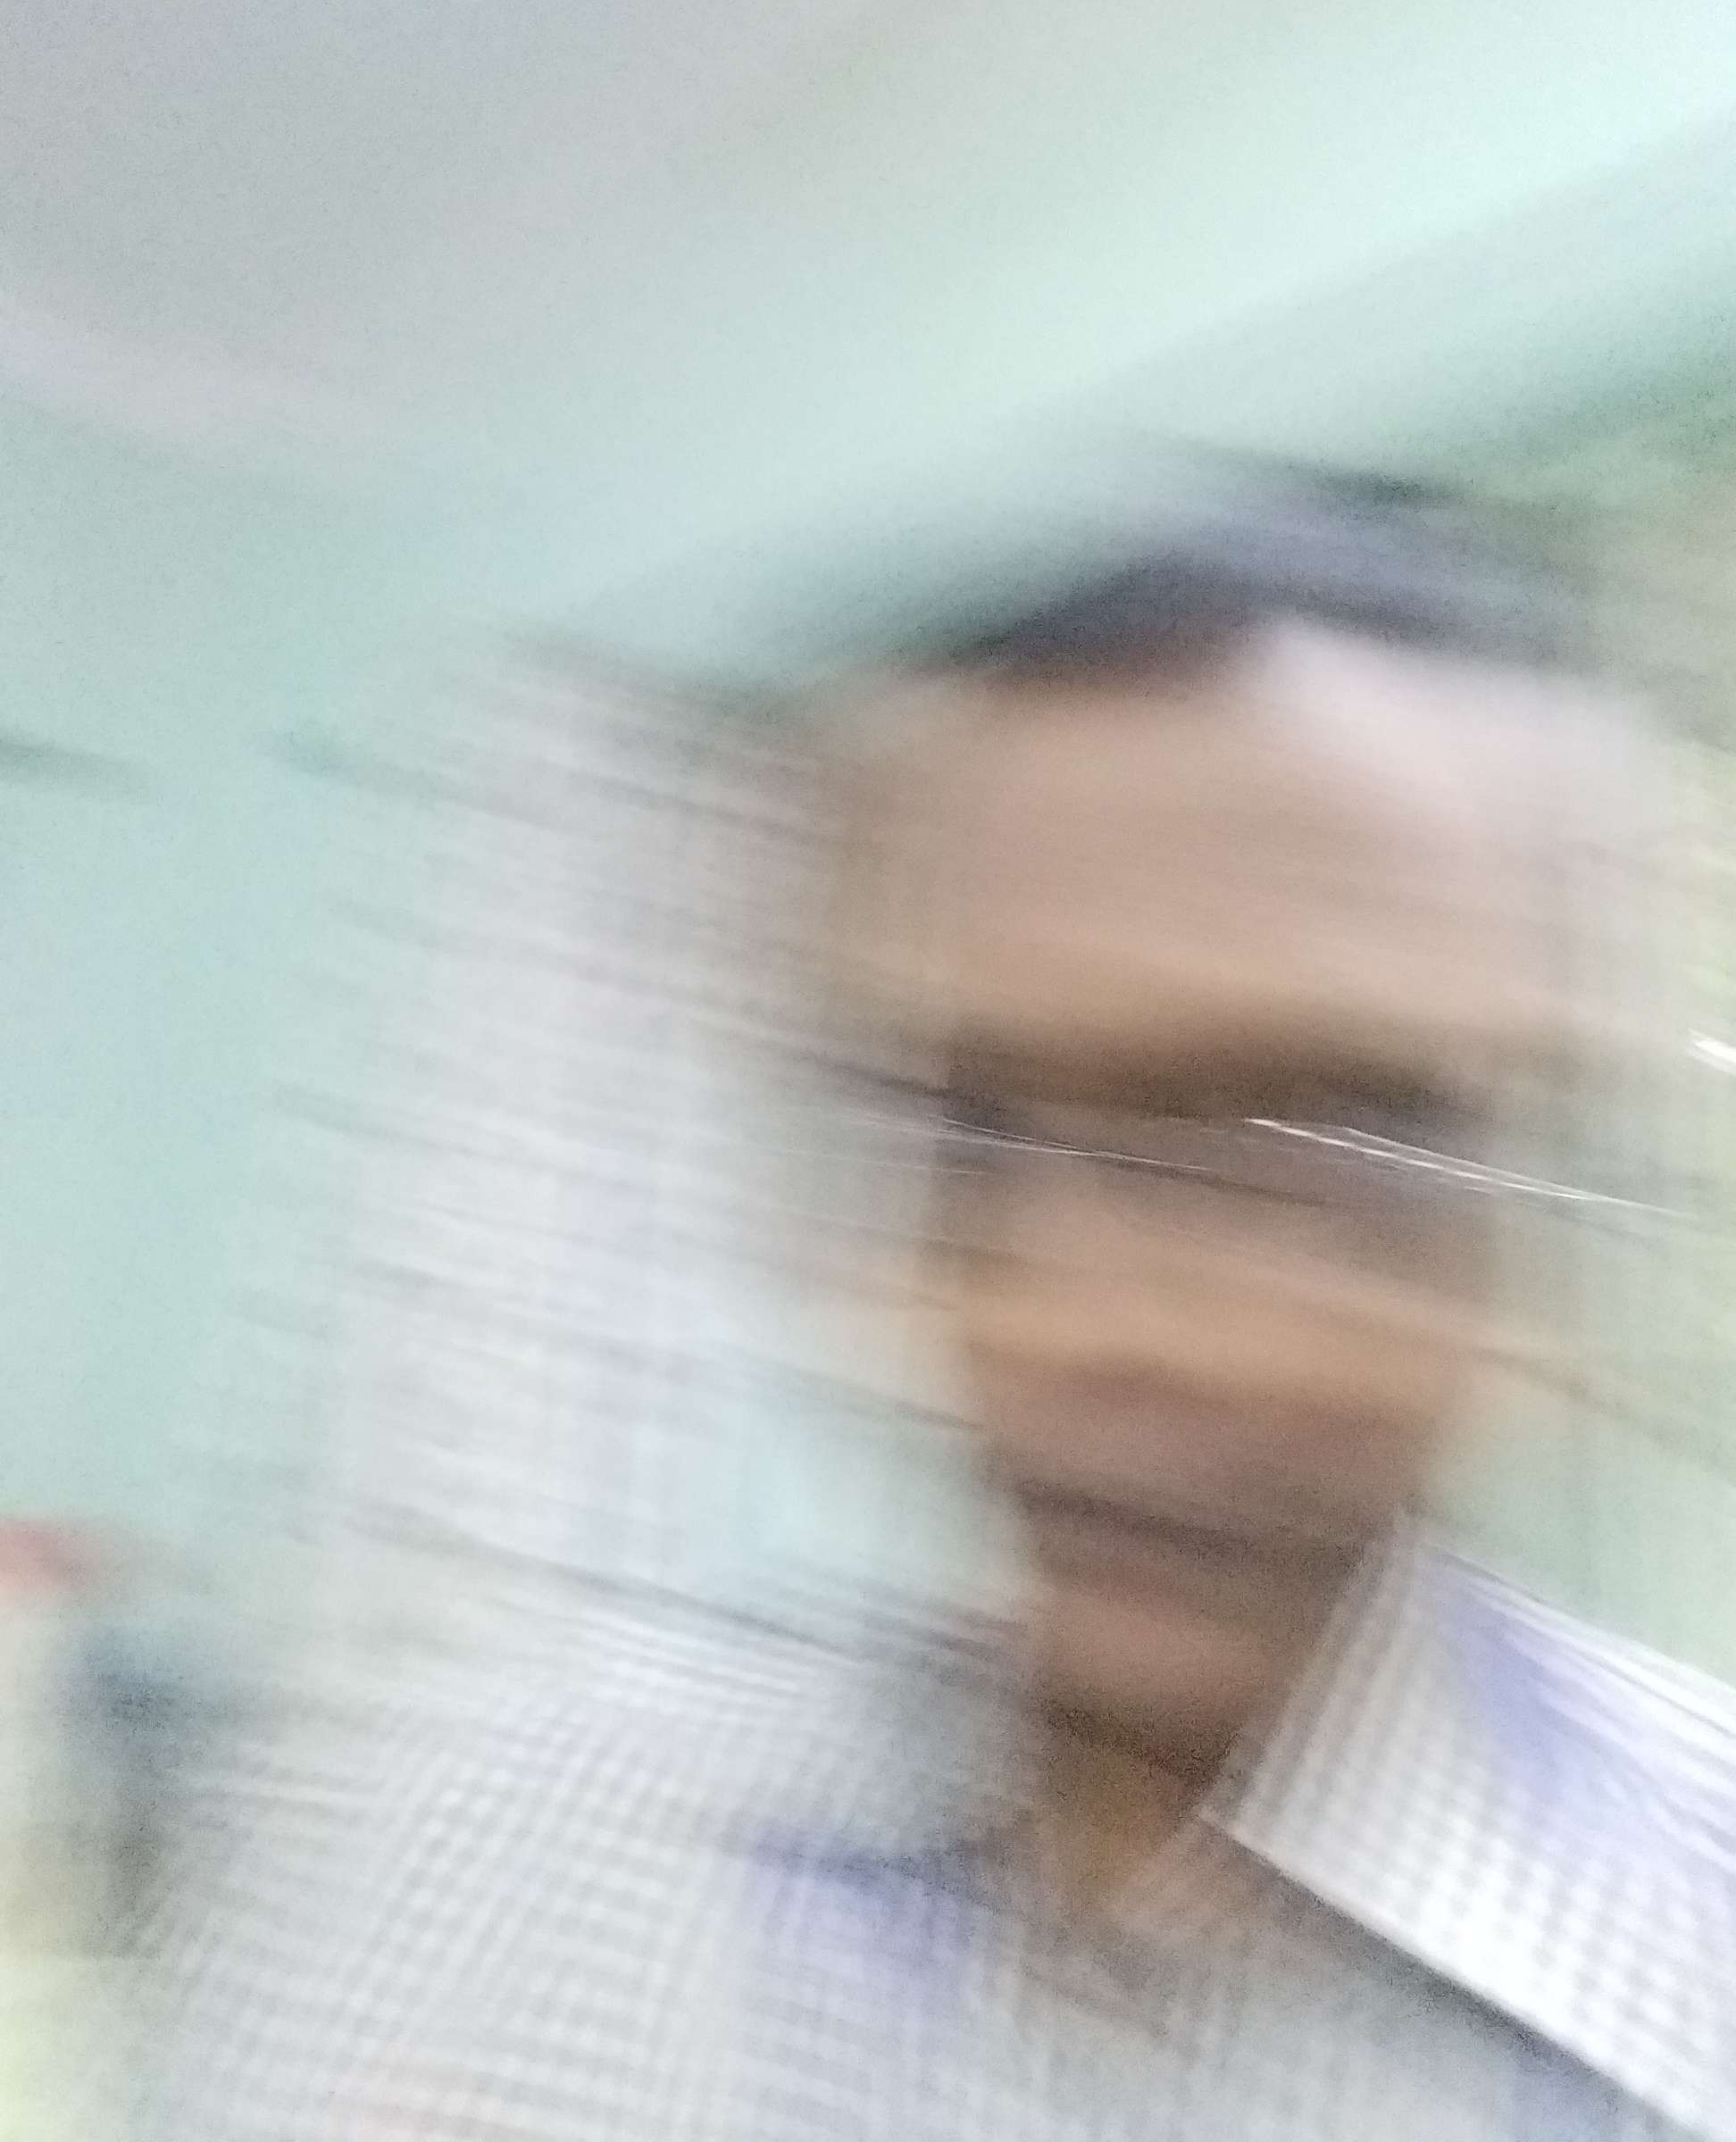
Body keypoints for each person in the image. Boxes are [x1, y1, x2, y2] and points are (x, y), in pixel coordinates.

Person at [141, 479, 1735, 2139]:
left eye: (1336, 1138)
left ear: (1552, 1209)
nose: (1113, 1325)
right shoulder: (449, 1871)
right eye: (975, 1134)